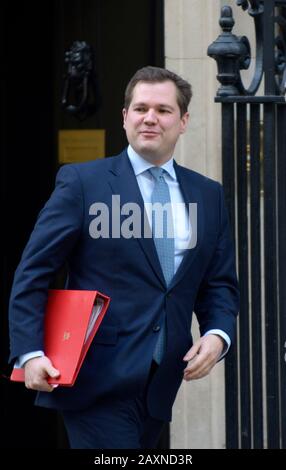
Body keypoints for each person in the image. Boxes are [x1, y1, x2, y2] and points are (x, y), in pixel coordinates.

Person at [8, 66, 239, 449]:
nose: (150, 118)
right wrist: (30, 352)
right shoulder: (83, 183)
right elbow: (34, 272)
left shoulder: (208, 195)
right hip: (94, 380)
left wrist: (218, 335)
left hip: (162, 384)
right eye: (140, 108)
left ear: (183, 122)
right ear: (125, 117)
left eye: (163, 110)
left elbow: (218, 283)